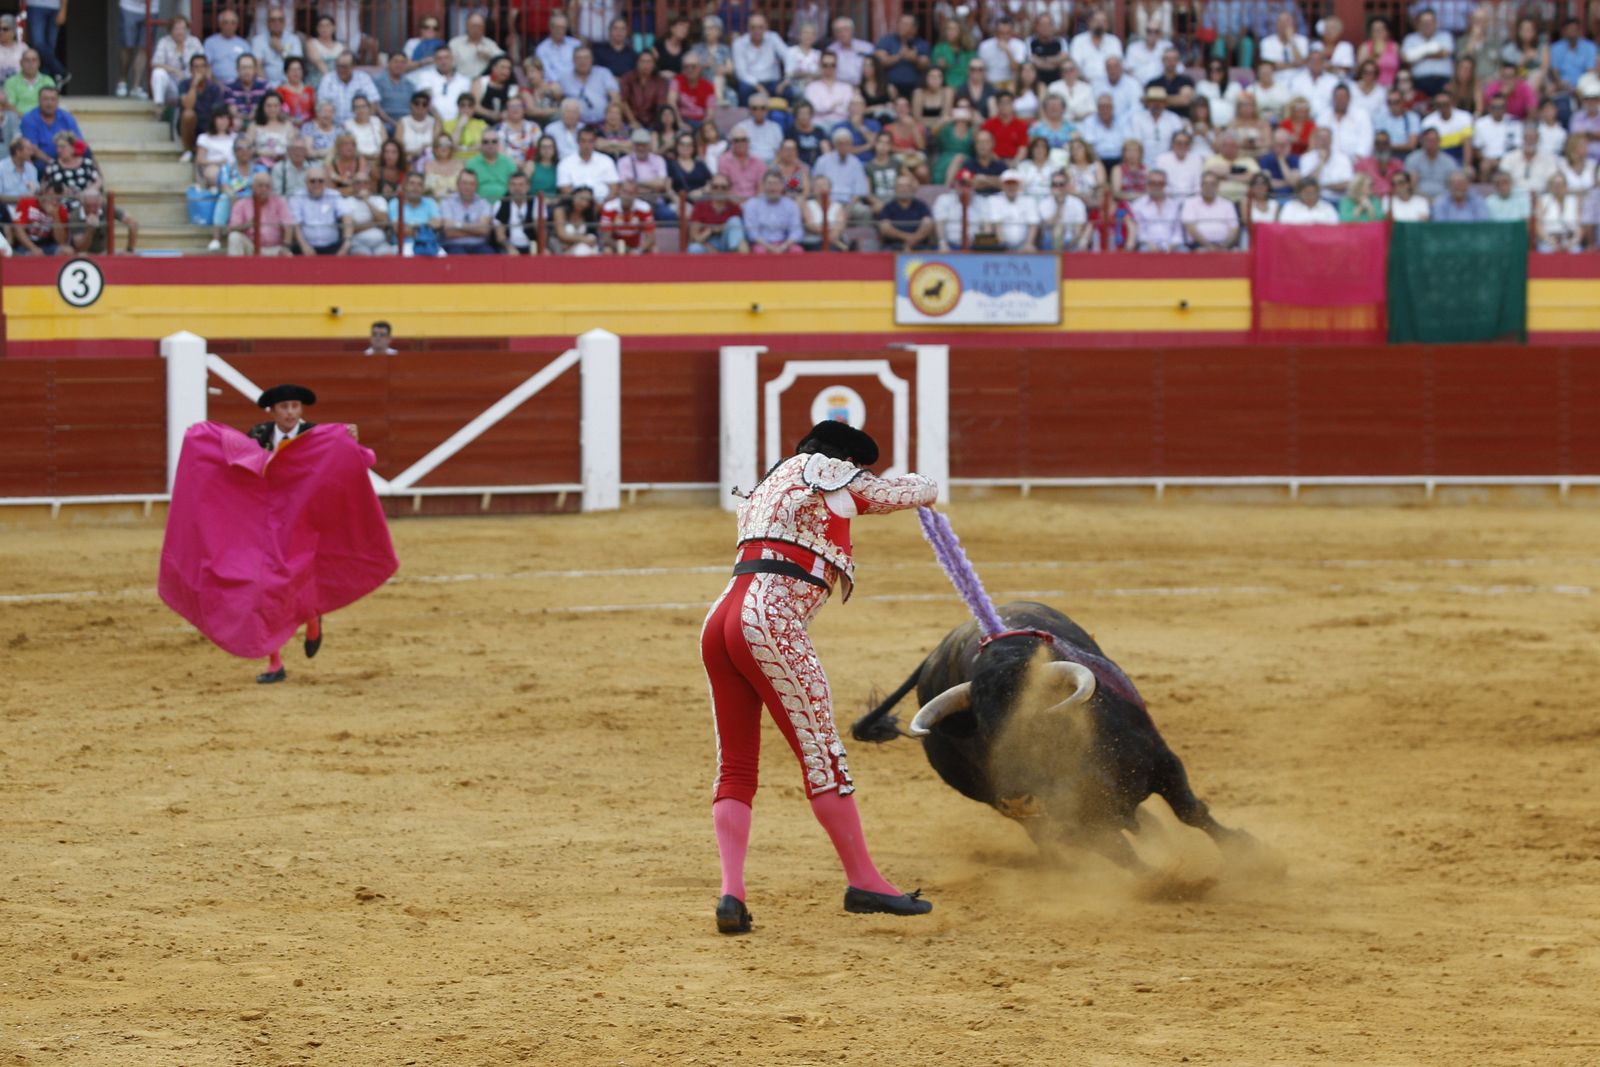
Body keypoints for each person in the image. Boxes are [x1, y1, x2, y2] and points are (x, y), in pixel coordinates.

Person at [701, 418, 938, 934]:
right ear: (842, 459)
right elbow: (887, 493)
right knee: (822, 756)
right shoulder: (825, 470)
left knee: (736, 765)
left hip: (721, 621)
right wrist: (929, 489)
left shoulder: (769, 484)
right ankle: (865, 880)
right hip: (769, 621)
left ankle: (731, 894)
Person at [233, 384, 372, 684]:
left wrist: (353, 443)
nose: (290, 413)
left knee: (297, 582)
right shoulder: (257, 434)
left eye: (295, 406)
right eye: (284, 407)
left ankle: (311, 618)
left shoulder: (317, 434)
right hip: (268, 522)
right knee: (266, 590)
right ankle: (275, 662)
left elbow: (358, 462)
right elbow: (237, 470)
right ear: (272, 411)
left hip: (307, 522)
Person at [227, 171, 295, 255]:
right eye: (260, 185)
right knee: (234, 237)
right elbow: (232, 228)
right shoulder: (241, 204)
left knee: (288, 255)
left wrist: (286, 246)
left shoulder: (279, 202)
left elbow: (288, 225)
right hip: (251, 247)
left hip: (274, 248)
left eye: (267, 186)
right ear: (253, 187)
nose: (264, 189)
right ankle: (236, 268)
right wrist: (248, 224)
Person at [742, 169, 804, 252]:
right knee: (760, 251)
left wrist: (783, 247)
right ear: (763, 185)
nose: (773, 187)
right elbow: (752, 233)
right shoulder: (752, 204)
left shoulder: (791, 205)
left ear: (782, 186)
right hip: (762, 244)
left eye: (776, 183)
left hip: (785, 244)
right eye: (769, 183)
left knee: (797, 251)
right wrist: (770, 247)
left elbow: (796, 231)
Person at [151, 16, 205, 110]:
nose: (180, 32)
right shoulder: (164, 42)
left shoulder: (194, 42)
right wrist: (174, 70)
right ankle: (158, 107)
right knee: (158, 73)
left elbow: (204, 62)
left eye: (183, 29)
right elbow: (155, 63)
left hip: (190, 84)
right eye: (177, 29)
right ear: (170, 30)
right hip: (172, 85)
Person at [438, 169, 495, 254]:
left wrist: (458, 225)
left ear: (476, 186)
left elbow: (484, 230)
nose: (467, 186)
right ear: (458, 184)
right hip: (454, 245)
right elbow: (449, 232)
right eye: (464, 183)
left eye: (471, 184)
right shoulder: (447, 202)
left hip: (479, 245)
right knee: (459, 255)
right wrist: (476, 230)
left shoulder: (484, 202)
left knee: (490, 255)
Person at [556, 126, 619, 201]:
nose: (586, 145)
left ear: (595, 142)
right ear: (577, 142)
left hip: (603, 204)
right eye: (583, 141)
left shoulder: (606, 161)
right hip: (576, 205)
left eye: (590, 141)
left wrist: (603, 204)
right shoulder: (565, 163)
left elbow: (614, 187)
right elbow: (565, 189)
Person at [687, 174, 747, 252]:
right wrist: (712, 230)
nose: (719, 190)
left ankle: (736, 257)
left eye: (723, 187)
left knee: (735, 220)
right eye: (715, 187)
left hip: (727, 243)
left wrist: (721, 228)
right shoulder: (700, 206)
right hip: (706, 243)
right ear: (710, 189)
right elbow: (694, 237)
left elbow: (739, 234)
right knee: (694, 248)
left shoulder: (734, 207)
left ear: (729, 190)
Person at [875, 171, 934, 250]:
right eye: (900, 186)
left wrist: (913, 241)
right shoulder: (888, 207)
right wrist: (907, 238)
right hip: (893, 247)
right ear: (895, 189)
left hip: (920, 246)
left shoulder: (921, 205)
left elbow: (928, 224)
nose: (903, 189)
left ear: (913, 189)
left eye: (907, 186)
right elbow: (884, 228)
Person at [19, 86, 79, 163]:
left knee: (86, 153)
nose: (49, 103)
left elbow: (77, 142)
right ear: (39, 101)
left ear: (58, 101)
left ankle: (98, 174)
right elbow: (33, 148)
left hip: (66, 156)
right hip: (41, 159)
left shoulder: (67, 117)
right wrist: (52, 162)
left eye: (53, 99)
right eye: (45, 99)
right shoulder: (29, 118)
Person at [292, 168, 345, 254]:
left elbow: (347, 215)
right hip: (305, 247)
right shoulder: (297, 197)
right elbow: (295, 224)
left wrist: (347, 242)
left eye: (321, 181)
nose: (317, 184)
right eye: (312, 181)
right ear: (306, 182)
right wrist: (303, 245)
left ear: (326, 182)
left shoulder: (334, 195)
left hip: (332, 246)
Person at [1181, 170, 1239, 247]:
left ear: (1218, 186)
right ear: (1201, 186)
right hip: (1198, 245)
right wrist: (1208, 246)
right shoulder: (1190, 202)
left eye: (1212, 184)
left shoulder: (1227, 204)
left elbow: (1234, 228)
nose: (1209, 187)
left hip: (1224, 246)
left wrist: (1223, 246)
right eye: (1205, 184)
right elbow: (1190, 227)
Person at [599, 177, 656, 253]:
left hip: (636, 247)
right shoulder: (609, 207)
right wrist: (625, 249)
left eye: (630, 193)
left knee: (654, 249)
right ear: (619, 191)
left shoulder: (644, 208)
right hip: (615, 246)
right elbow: (606, 239)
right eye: (624, 192)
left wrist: (638, 250)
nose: (626, 196)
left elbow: (650, 238)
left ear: (636, 194)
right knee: (607, 250)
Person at [1130, 167, 1182, 249]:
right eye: (1152, 183)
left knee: (1184, 250)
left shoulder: (1174, 205)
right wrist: (1149, 244)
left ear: (1165, 185)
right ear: (1147, 184)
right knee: (1144, 249)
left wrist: (1172, 245)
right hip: (1147, 244)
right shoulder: (1138, 205)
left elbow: (1177, 232)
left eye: (1160, 183)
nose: (1156, 186)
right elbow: (1139, 232)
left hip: (1172, 245)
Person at [1405, 127, 1460, 200]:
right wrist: (1425, 199)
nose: (1430, 143)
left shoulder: (1449, 161)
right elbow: (1411, 185)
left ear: (1439, 141)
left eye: (1433, 140)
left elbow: (1453, 185)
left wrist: (1440, 200)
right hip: (1418, 198)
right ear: (1422, 141)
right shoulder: (1413, 159)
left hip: (1444, 200)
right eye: (1428, 140)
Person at [494, 171, 540, 253]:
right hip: (509, 247)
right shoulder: (501, 203)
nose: (517, 188)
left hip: (532, 244)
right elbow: (500, 236)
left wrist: (541, 246)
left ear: (528, 187)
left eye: (521, 185)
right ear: (508, 186)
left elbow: (540, 230)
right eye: (513, 184)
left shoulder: (536, 202)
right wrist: (509, 247)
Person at [204, 8, 252, 85]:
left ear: (237, 25)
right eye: (226, 22)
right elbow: (206, 66)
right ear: (220, 24)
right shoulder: (210, 42)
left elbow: (250, 68)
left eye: (233, 23)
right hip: (217, 85)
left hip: (240, 86)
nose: (229, 26)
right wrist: (216, 83)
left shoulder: (244, 44)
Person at [1535, 172, 1581, 251]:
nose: (1558, 188)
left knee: (1576, 251)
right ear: (1550, 187)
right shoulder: (1543, 200)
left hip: (1570, 239)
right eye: (1555, 185)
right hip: (1549, 240)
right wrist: (1549, 241)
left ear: (1566, 186)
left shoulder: (1575, 201)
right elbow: (1538, 226)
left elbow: (1581, 226)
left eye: (1561, 185)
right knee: (1546, 251)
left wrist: (1573, 242)